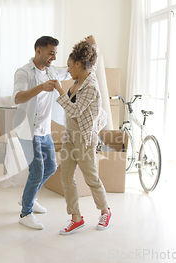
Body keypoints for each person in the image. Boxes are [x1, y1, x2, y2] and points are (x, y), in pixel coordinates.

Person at [54, 35, 111, 235]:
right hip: (70, 136)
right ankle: (76, 217)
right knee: (66, 176)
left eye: (70, 65)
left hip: (85, 138)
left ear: (79, 64)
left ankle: (105, 211)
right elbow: (92, 61)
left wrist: (59, 90)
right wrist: (93, 43)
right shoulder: (83, 74)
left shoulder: (91, 86)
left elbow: (75, 111)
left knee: (90, 177)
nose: (68, 69)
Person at [12, 36, 70, 230]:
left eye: (55, 53)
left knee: (51, 167)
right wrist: (40, 88)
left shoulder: (52, 70)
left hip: (44, 130)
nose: (53, 57)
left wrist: (90, 46)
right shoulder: (23, 72)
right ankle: (25, 213)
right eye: (50, 52)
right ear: (38, 51)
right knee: (36, 171)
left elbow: (69, 69)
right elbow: (18, 98)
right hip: (27, 130)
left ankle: (28, 198)